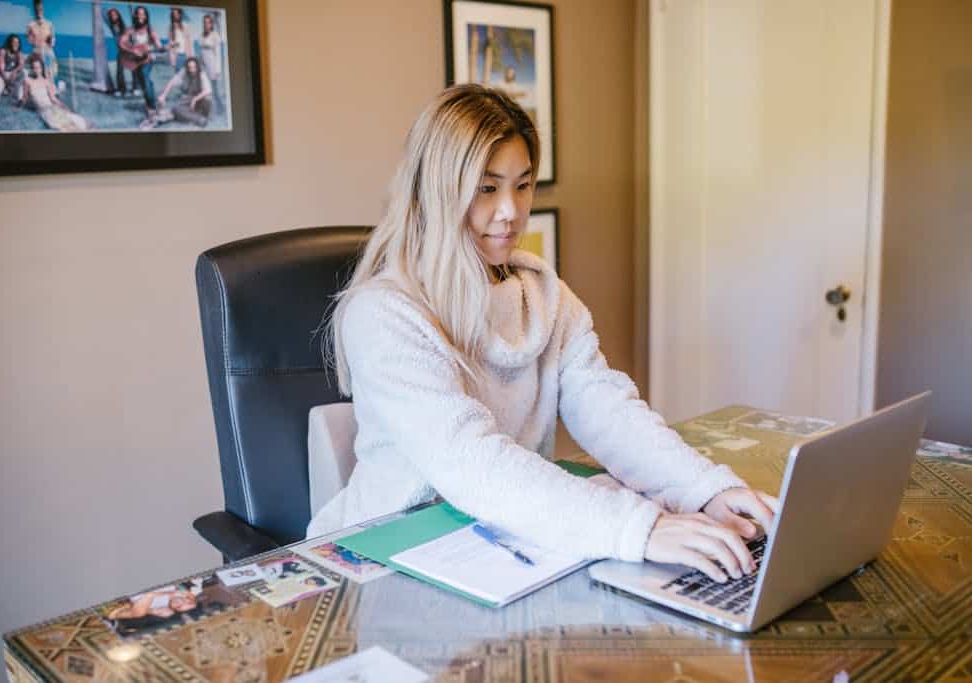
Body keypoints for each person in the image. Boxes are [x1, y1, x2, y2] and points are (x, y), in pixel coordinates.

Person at [307, 84, 779, 585]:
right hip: (389, 555)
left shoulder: (543, 296)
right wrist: (638, 529)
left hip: (502, 531)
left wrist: (703, 490)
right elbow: (471, 461)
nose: (511, 211)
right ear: (438, 189)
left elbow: (609, 412)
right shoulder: (384, 313)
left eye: (523, 184)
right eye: (487, 188)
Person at [17, 53, 90, 131]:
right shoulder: (28, 81)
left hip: (52, 106)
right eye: (34, 68)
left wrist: (64, 106)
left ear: (42, 68)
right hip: (43, 110)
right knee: (62, 126)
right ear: (31, 68)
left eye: (39, 67)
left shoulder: (46, 82)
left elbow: (53, 98)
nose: (37, 70)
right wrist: (19, 106)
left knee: (76, 121)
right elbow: (25, 97)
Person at [119, 5, 163, 114]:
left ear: (146, 16)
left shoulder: (150, 30)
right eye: (138, 13)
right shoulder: (130, 30)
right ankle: (150, 104)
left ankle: (152, 107)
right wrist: (132, 50)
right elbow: (121, 43)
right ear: (135, 15)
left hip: (147, 59)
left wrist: (162, 47)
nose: (141, 16)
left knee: (145, 76)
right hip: (135, 60)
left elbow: (158, 44)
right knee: (144, 84)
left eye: (143, 14)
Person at [154, 57, 212, 127]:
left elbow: (208, 90)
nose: (192, 70)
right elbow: (172, 82)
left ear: (197, 67)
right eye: (190, 68)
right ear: (187, 67)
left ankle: (200, 115)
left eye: (194, 67)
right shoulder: (184, 71)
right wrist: (163, 95)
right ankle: (199, 119)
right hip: (188, 98)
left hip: (200, 99)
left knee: (208, 98)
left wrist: (195, 99)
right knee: (176, 109)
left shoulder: (202, 74)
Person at [26, 0, 57, 82]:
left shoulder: (49, 24)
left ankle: (51, 90)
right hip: (36, 52)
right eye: (37, 9)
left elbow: (53, 43)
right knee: (36, 75)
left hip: (47, 52)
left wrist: (50, 39)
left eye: (40, 9)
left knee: (49, 75)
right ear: (34, 9)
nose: (39, 11)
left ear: (42, 9)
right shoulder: (30, 25)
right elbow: (29, 41)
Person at [197, 13, 223, 96]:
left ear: (211, 24)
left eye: (208, 22)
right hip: (204, 67)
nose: (206, 24)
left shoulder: (215, 35)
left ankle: (220, 108)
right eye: (204, 22)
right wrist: (199, 66)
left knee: (216, 92)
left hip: (213, 67)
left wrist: (218, 70)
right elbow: (200, 53)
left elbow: (218, 54)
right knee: (207, 90)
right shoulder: (201, 36)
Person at [104, 7, 128, 96]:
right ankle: (122, 89)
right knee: (119, 70)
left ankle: (130, 89)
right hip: (121, 50)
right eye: (111, 15)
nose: (113, 16)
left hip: (127, 50)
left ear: (118, 15)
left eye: (115, 14)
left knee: (132, 71)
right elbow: (104, 13)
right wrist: (109, 10)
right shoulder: (111, 25)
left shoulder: (123, 26)